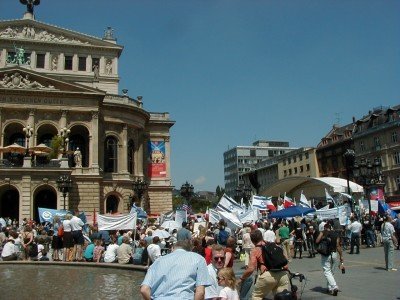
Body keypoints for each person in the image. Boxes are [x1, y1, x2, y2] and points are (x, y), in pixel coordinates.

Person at [140, 240, 212, 300]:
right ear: (191, 250)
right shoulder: (198, 259)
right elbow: (200, 292)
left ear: (172, 248)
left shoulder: (158, 261)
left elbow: (144, 290)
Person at [238, 230, 289, 300]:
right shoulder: (275, 246)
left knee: (257, 296)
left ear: (252, 240)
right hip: (283, 274)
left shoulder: (255, 250)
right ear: (262, 237)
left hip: (268, 276)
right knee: (281, 297)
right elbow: (285, 263)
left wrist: (241, 279)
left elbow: (251, 269)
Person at [316, 221, 344, 296]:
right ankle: (330, 287)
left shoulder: (323, 233)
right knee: (332, 272)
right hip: (334, 253)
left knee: (327, 271)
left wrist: (322, 233)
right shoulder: (335, 234)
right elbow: (338, 246)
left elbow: (317, 241)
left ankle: (334, 286)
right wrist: (341, 256)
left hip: (325, 255)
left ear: (325, 228)